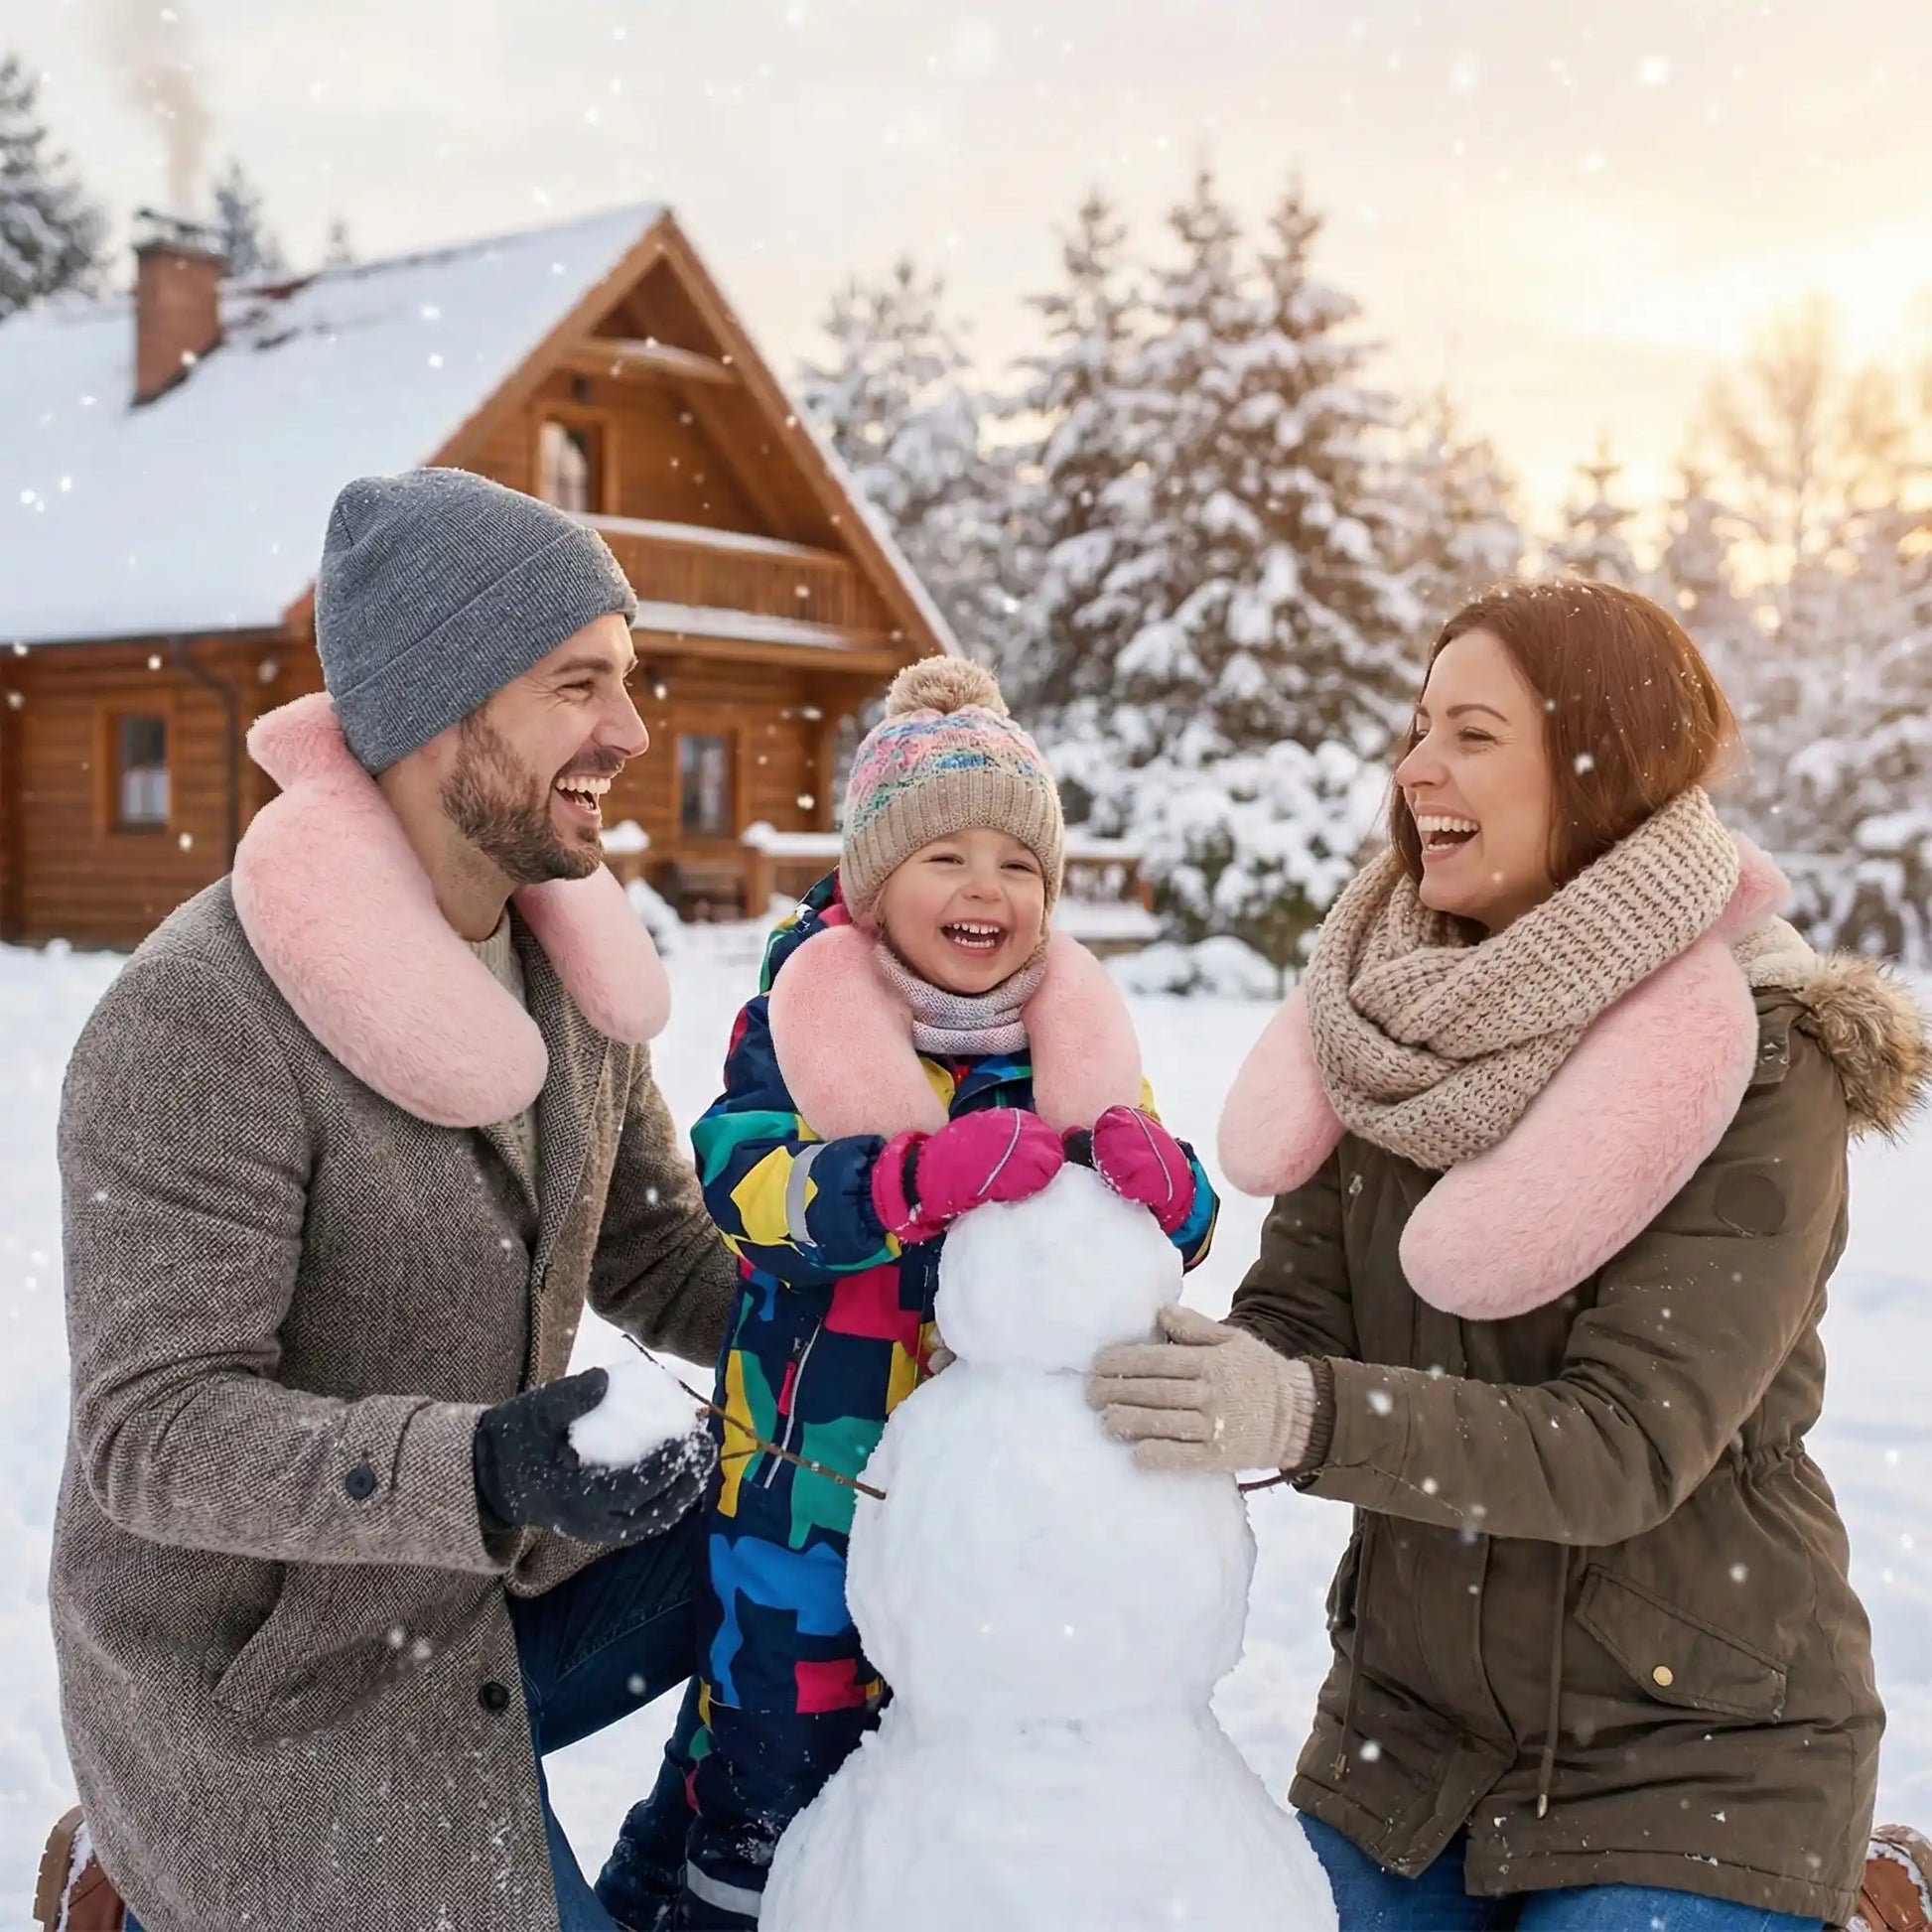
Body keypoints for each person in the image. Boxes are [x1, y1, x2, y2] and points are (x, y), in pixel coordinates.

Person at [1087, 580, 1932, 1930]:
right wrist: (1130, 1368)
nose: (1415, 765)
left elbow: (1623, 1443)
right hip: (1408, 1746)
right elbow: (1296, 1318)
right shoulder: (1386, 1021)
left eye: (1471, 733)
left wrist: (1303, 1415)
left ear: (1600, 765)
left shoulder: (1760, 1059)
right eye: (1416, 727)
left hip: (1695, 1747)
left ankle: (1850, 1885)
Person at [40, 470, 739, 1932]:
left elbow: (661, 1247)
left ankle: (699, 1868)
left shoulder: (568, 975)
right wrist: (479, 1468)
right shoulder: (199, 1021)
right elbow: (150, 1433)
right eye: (578, 685)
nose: (630, 730)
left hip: (486, 1595)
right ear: (441, 711)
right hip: (279, 1685)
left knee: (802, 1524)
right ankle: (147, 1863)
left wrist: (903, 1330)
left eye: (628, 680)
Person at [609, 658, 1220, 1928]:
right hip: (810, 1484)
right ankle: (694, 1897)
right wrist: (897, 1178)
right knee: (769, 1750)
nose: (985, 886)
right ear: (874, 884)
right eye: (945, 857)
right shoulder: (800, 1017)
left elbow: (1178, 1227)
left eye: (1016, 860)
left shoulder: (1067, 1045)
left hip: (989, 1510)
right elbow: (744, 1183)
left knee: (939, 1756)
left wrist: (1170, 1190)